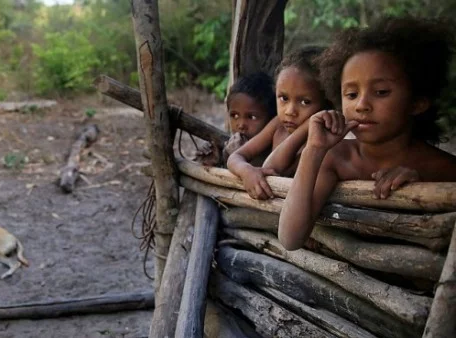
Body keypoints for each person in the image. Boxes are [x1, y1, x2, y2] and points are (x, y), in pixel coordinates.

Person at [278, 17, 456, 251]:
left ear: (417, 102)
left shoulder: (443, 169)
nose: (362, 105)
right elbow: (290, 238)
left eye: (381, 92)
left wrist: (419, 188)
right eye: (351, 95)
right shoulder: (337, 158)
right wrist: (314, 149)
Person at [227, 46, 332, 199]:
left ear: (326, 103)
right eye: (283, 98)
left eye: (305, 102)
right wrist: (246, 171)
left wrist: (306, 127)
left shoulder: (325, 139)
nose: (290, 111)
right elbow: (236, 157)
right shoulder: (278, 125)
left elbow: (278, 168)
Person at [195, 72, 276, 167]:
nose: (241, 125)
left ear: (271, 119)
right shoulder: (227, 148)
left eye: (252, 117)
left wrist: (236, 156)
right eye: (235, 116)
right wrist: (215, 160)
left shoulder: (275, 152)